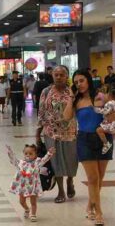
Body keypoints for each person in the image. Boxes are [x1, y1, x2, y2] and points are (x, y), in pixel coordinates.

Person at [63, 69, 115, 226]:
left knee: (100, 177)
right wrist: (70, 98)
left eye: (81, 80)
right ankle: (99, 212)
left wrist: (111, 117)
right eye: (76, 82)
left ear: (88, 80)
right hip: (85, 140)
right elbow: (66, 117)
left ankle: (90, 205)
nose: (79, 84)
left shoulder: (101, 97)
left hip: (103, 138)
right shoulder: (76, 101)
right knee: (92, 178)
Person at [36, 66, 78, 204]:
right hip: (51, 133)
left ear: (67, 76)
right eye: (56, 74)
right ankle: (61, 191)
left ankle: (70, 180)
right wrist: (38, 133)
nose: (59, 77)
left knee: (71, 160)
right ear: (52, 76)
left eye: (62, 75)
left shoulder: (73, 91)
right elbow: (41, 112)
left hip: (70, 132)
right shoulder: (46, 91)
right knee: (56, 162)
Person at [6, 144, 56, 222]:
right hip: (23, 187)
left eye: (30, 153)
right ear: (23, 153)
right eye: (26, 153)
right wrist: (10, 152)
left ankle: (33, 214)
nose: (28, 155)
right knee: (21, 202)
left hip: (33, 187)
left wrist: (49, 153)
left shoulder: (37, 162)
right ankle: (26, 209)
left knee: (33, 202)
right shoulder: (21, 163)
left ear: (35, 154)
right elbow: (13, 160)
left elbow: (45, 159)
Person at [95, 84, 115, 154]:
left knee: (98, 130)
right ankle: (112, 134)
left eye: (106, 93)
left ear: (110, 95)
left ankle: (106, 144)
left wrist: (96, 109)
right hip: (112, 123)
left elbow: (105, 111)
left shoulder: (110, 103)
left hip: (110, 124)